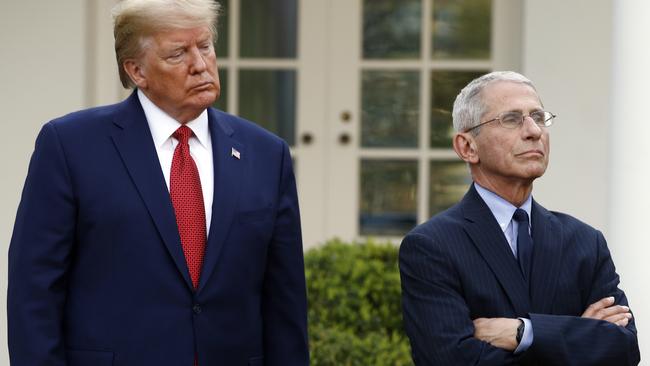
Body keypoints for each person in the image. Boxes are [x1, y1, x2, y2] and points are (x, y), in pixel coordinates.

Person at [7, 0, 309, 365]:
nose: (200, 65)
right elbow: (34, 291)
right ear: (136, 70)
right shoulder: (71, 146)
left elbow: (285, 301)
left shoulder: (266, 154)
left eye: (205, 46)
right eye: (178, 53)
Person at [399, 71, 640, 365]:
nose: (534, 131)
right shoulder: (431, 246)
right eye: (511, 119)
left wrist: (524, 332)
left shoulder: (585, 242)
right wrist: (578, 337)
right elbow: (452, 360)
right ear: (467, 147)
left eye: (538, 117)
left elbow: (625, 351)